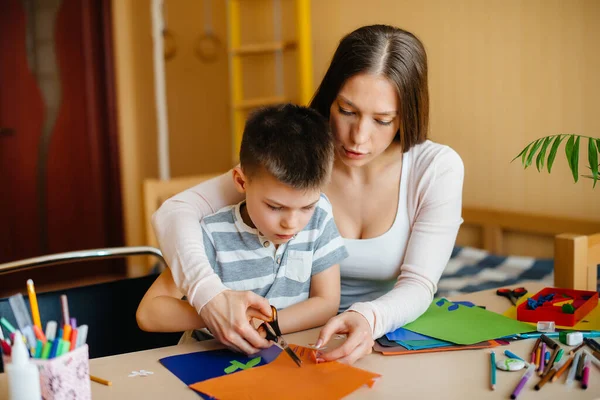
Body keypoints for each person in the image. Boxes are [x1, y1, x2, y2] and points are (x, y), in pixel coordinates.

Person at [152, 24, 464, 364]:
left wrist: (369, 318)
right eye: (347, 111)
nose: (358, 137)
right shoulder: (302, 153)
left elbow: (419, 285)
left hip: (375, 337)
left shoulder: (435, 168)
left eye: (383, 120)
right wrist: (209, 296)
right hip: (285, 340)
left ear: (407, 117)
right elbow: (174, 212)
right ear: (330, 99)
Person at [137, 104, 348, 338]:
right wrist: (220, 314)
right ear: (241, 181)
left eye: (306, 206)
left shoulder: (319, 219)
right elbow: (149, 313)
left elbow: (327, 302)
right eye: (275, 207)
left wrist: (267, 325)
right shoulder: (212, 234)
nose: (292, 223)